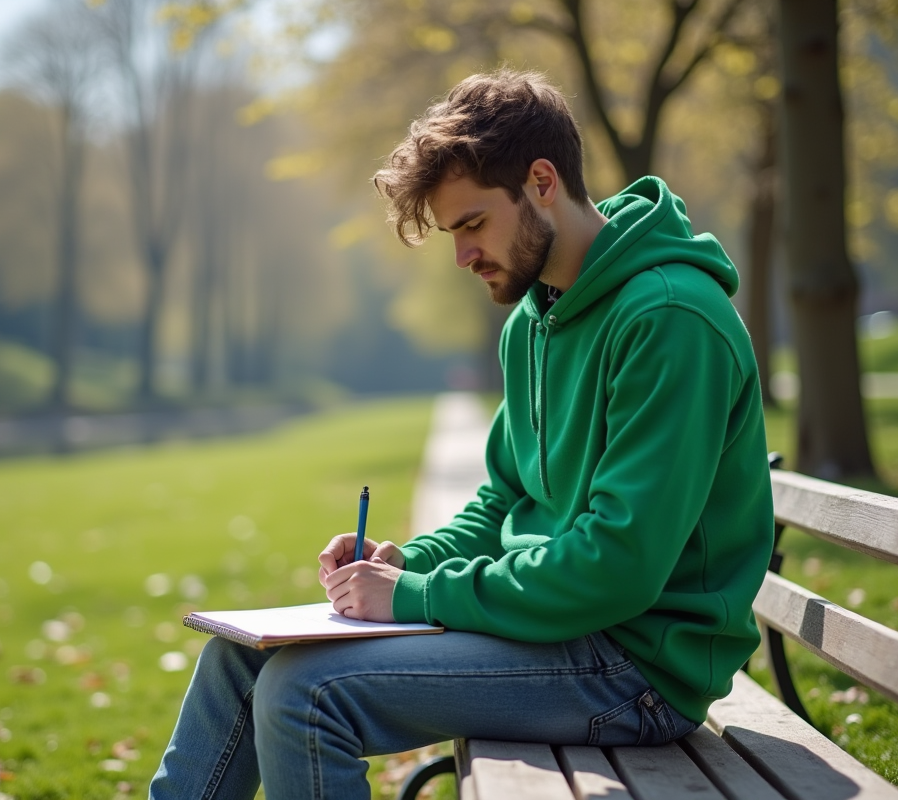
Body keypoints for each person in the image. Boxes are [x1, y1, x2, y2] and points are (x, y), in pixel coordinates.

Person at [148, 68, 773, 800]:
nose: (462, 256)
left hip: (635, 664)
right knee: (239, 660)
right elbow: (505, 501)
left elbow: (618, 567)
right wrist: (405, 560)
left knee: (307, 695)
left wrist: (412, 595)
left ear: (542, 181)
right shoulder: (535, 322)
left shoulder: (670, 319)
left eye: (473, 224)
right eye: (453, 233)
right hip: (552, 629)